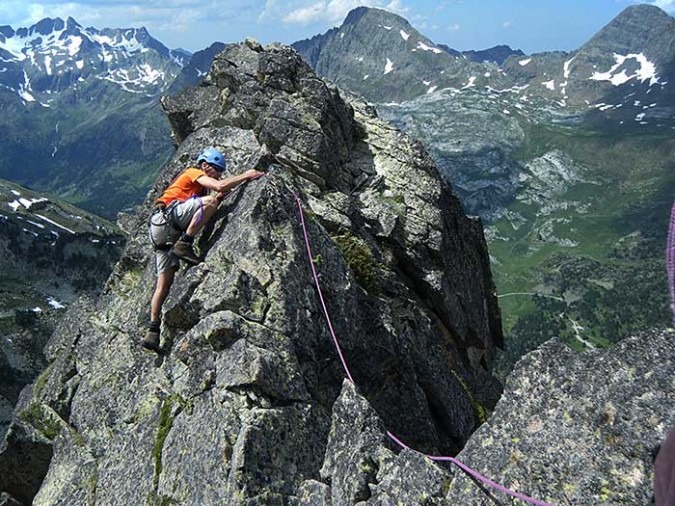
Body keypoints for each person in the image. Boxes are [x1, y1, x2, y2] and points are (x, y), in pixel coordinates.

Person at [142, 147, 263, 352]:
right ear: (205, 165)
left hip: (161, 233)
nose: (217, 173)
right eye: (215, 169)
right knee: (211, 201)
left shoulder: (197, 188)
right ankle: (186, 243)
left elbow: (221, 188)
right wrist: (248, 174)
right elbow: (220, 187)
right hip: (169, 222)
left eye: (219, 171)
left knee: (164, 284)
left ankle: (152, 331)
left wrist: (229, 188)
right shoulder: (193, 172)